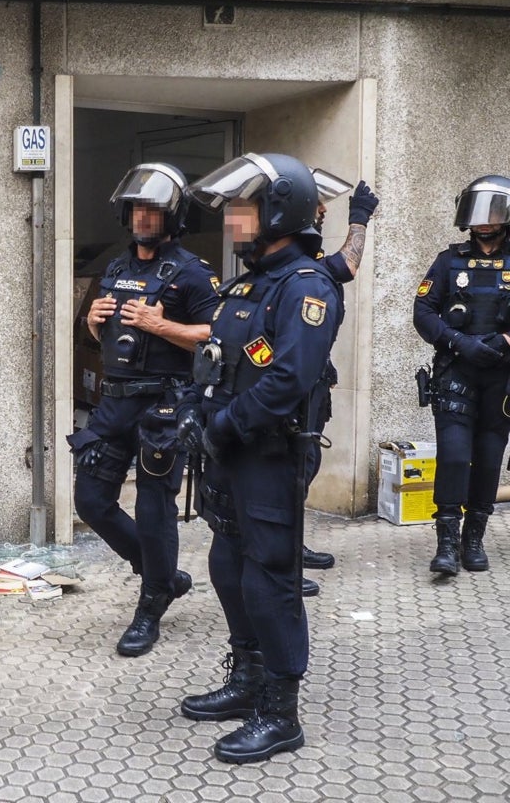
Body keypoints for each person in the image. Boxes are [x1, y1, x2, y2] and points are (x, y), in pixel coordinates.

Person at [175, 153, 342, 763]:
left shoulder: (306, 286)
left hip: (268, 456)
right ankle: (246, 680)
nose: (234, 224)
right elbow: (215, 360)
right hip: (230, 454)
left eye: (244, 212)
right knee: (227, 565)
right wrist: (196, 410)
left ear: (280, 212)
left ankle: (281, 712)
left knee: (269, 580)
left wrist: (223, 424)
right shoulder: (246, 285)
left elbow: (291, 377)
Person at [68, 163, 220, 657]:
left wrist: (162, 327)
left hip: (164, 406)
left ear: (171, 217)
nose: (142, 217)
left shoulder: (194, 274)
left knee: (155, 509)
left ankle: (150, 603)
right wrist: (92, 321)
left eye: (152, 210)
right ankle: (163, 575)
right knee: (91, 500)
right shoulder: (116, 268)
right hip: (115, 402)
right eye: (136, 208)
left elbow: (218, 335)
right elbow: (103, 334)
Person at [413, 175, 510, 575]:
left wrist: (505, 339)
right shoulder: (447, 260)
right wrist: (458, 342)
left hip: (502, 377)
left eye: (492, 214)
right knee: (454, 457)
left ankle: (474, 538)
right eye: (477, 215)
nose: (484, 223)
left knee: (488, 460)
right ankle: (447, 543)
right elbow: (423, 313)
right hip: (457, 371)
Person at [292, 170, 381, 597]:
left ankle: (290, 547)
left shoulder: (303, 254)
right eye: (317, 203)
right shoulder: (297, 261)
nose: (324, 210)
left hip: (312, 388)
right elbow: (347, 264)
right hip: (295, 390)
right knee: (292, 473)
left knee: (303, 468)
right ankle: (282, 561)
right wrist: (359, 219)